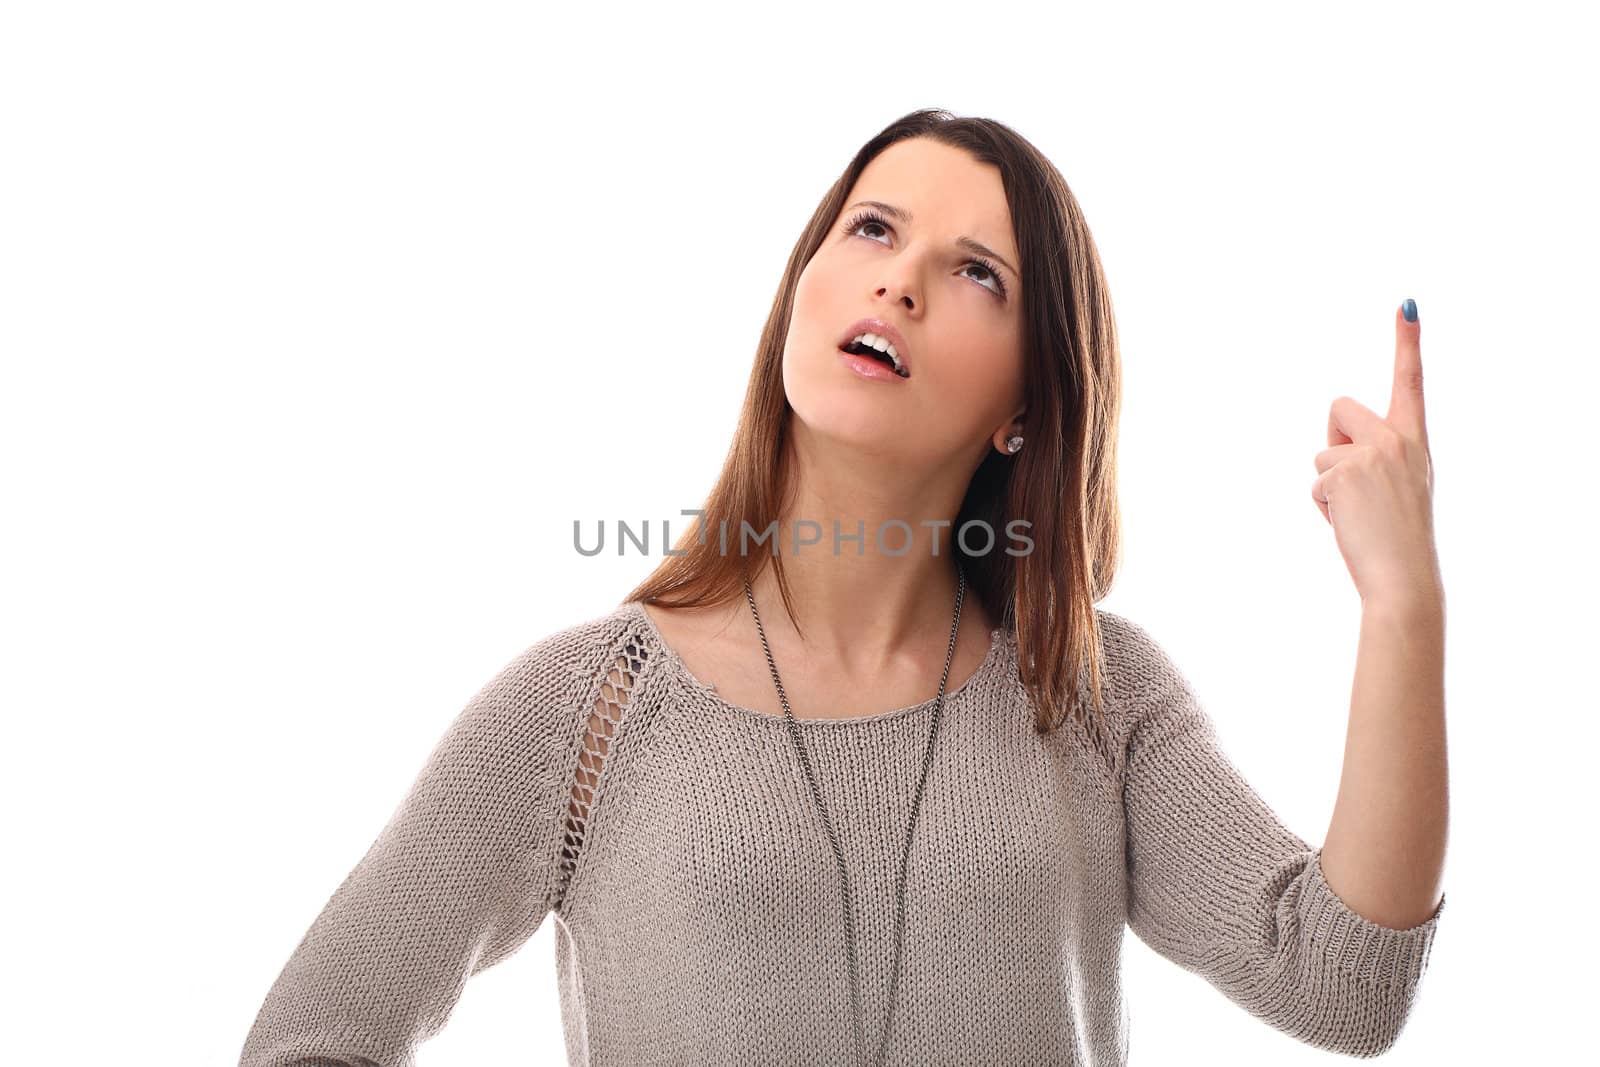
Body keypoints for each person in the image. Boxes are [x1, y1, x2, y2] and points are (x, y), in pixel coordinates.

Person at [240, 108, 1447, 1067]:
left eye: (977, 271)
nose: (901, 282)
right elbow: (309, 1041)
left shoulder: (1087, 690)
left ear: (1028, 404)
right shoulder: (588, 708)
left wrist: (1403, 605)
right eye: (873, 229)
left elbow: (1338, 985)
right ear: (800, 288)